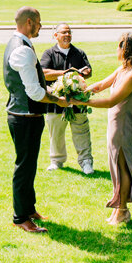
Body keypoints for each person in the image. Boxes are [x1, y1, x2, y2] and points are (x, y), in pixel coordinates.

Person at [71, 32, 132, 225]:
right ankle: (118, 208)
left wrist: (80, 102)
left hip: (123, 126)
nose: (116, 49)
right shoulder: (123, 69)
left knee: (121, 166)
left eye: (118, 46)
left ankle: (122, 210)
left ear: (125, 49)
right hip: (115, 124)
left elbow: (110, 101)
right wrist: (81, 89)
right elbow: (101, 85)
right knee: (115, 165)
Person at [2, 6, 69, 233]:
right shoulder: (22, 50)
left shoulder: (20, 45)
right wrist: (56, 99)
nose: (40, 27)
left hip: (27, 116)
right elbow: (33, 91)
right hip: (24, 117)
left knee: (29, 166)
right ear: (29, 22)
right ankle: (20, 218)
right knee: (24, 167)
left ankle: (29, 209)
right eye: (39, 23)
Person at [40, 23, 94, 174]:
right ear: (55, 35)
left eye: (69, 32)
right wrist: (65, 73)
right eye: (64, 32)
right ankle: (57, 161)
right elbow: (43, 73)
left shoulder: (79, 52)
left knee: (82, 132)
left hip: (78, 100)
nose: (67, 35)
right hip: (56, 101)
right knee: (56, 133)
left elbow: (88, 71)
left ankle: (86, 162)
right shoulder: (49, 53)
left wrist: (82, 73)